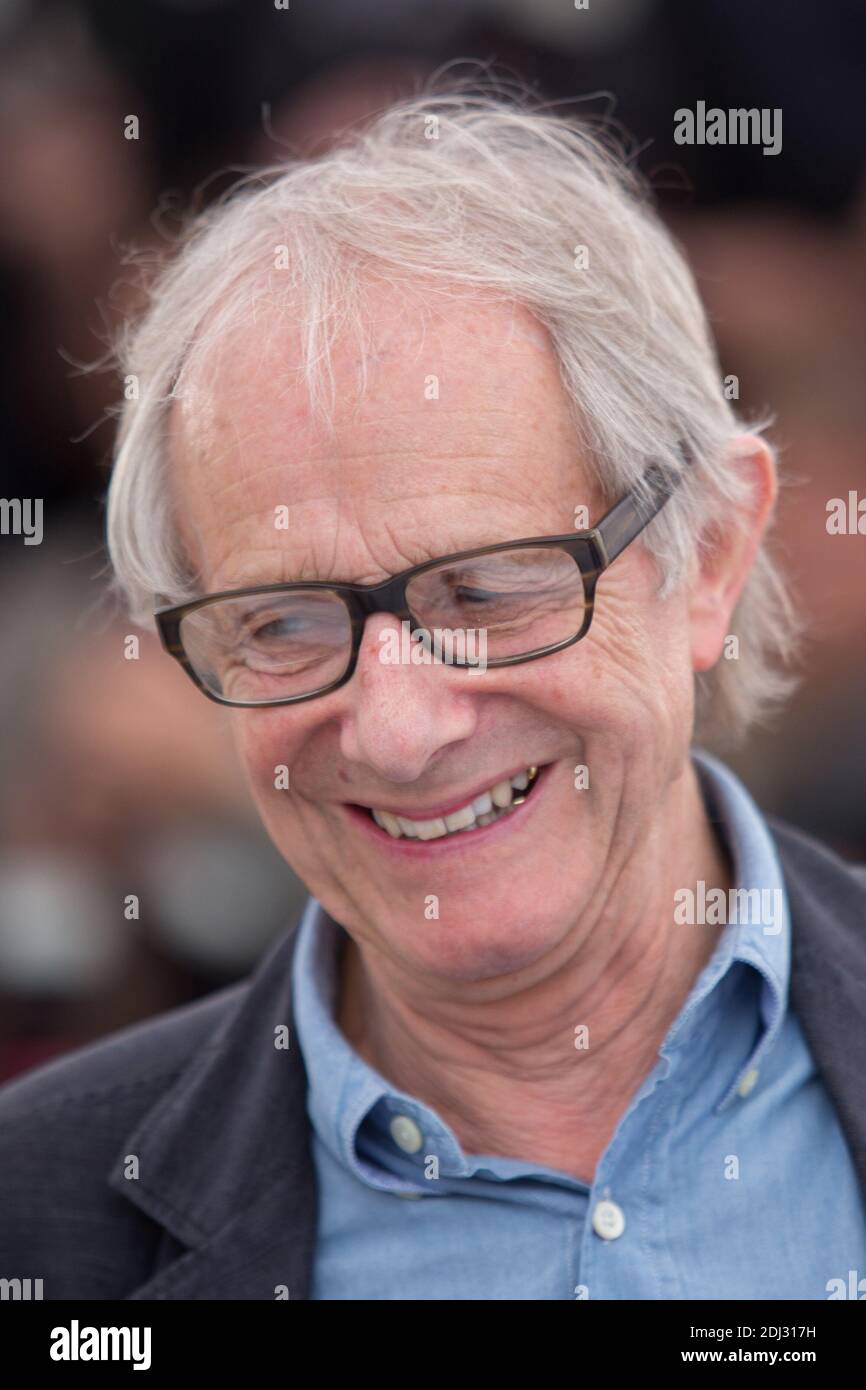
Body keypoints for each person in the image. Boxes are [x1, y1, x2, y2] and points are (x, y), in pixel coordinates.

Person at [1, 90, 865, 1302]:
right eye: (284, 623)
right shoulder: (38, 1219)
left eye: (484, 591)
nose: (401, 732)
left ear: (708, 554)